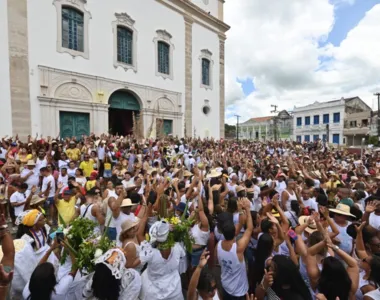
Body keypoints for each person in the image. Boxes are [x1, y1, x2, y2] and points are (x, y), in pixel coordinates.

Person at [139, 221, 185, 300]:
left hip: (153, 292)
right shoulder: (177, 247)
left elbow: (139, 235)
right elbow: (182, 256)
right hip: (174, 289)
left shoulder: (150, 252)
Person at [217, 198, 252, 299]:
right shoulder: (238, 248)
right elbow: (249, 228)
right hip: (238, 292)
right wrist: (247, 209)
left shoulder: (218, 245)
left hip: (225, 286)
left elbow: (240, 224)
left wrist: (241, 210)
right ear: (235, 232)